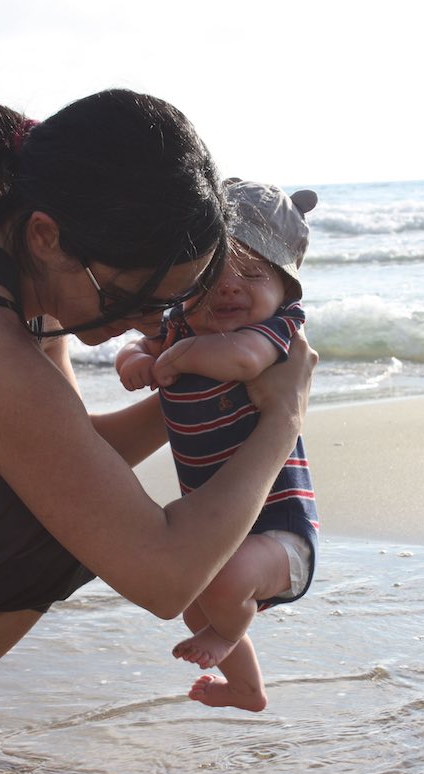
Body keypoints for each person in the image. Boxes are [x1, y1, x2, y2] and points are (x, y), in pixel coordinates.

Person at [0, 94, 317, 774]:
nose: (148, 320)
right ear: (48, 236)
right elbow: (164, 578)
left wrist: (188, 389)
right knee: (64, 524)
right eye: (138, 294)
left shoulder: (9, 260)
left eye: (174, 301)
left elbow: (68, 448)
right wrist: (283, 416)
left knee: (63, 506)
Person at [116, 180, 319, 713]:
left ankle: (228, 636)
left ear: (284, 289)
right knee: (194, 601)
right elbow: (139, 347)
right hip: (220, 525)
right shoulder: (179, 326)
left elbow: (244, 362)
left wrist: (178, 359)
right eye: (211, 278)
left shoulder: (277, 331)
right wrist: (139, 362)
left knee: (223, 584)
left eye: (252, 274)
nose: (229, 288)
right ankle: (247, 690)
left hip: (281, 533)